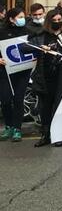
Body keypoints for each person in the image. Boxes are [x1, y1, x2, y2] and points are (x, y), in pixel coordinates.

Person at [29, 10, 62, 147]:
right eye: (55, 20)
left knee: (58, 107)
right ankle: (45, 135)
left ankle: (58, 135)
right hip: (45, 77)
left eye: (60, 20)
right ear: (49, 21)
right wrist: (39, 48)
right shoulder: (41, 35)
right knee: (45, 108)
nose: (57, 22)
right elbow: (24, 47)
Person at [0, 8, 32, 142]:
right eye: (19, 17)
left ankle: (17, 129)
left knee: (18, 99)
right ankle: (8, 126)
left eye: (23, 17)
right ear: (11, 18)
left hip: (22, 71)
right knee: (6, 99)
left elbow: (33, 48)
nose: (22, 19)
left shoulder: (28, 32)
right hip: (5, 71)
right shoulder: (1, 32)